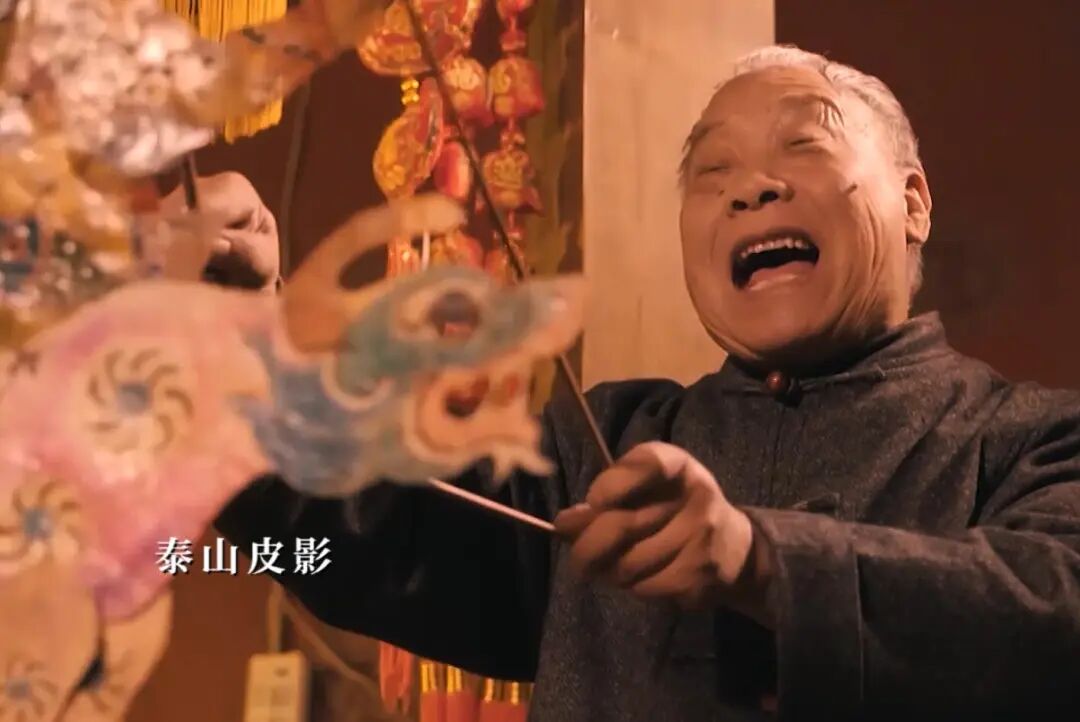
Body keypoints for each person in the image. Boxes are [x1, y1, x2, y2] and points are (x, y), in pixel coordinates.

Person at [196, 45, 1080, 721]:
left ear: (914, 202)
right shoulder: (604, 444)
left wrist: (762, 562)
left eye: (803, 145)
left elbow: (1053, 611)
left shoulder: (1030, 440)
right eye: (712, 174)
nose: (749, 191)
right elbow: (358, 519)